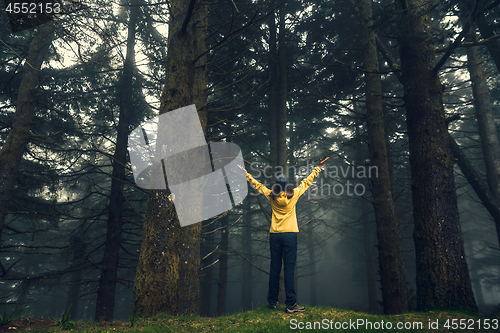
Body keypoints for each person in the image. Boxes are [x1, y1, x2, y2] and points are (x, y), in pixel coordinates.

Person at [238, 157, 329, 313]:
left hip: (275, 235)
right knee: (289, 268)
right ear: (286, 185)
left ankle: (272, 302)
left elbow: (258, 186)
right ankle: (291, 305)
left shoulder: (271, 195)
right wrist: (318, 168)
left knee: (274, 268)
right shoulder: (293, 194)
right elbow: (306, 182)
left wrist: (246, 174)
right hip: (290, 235)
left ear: (276, 186)